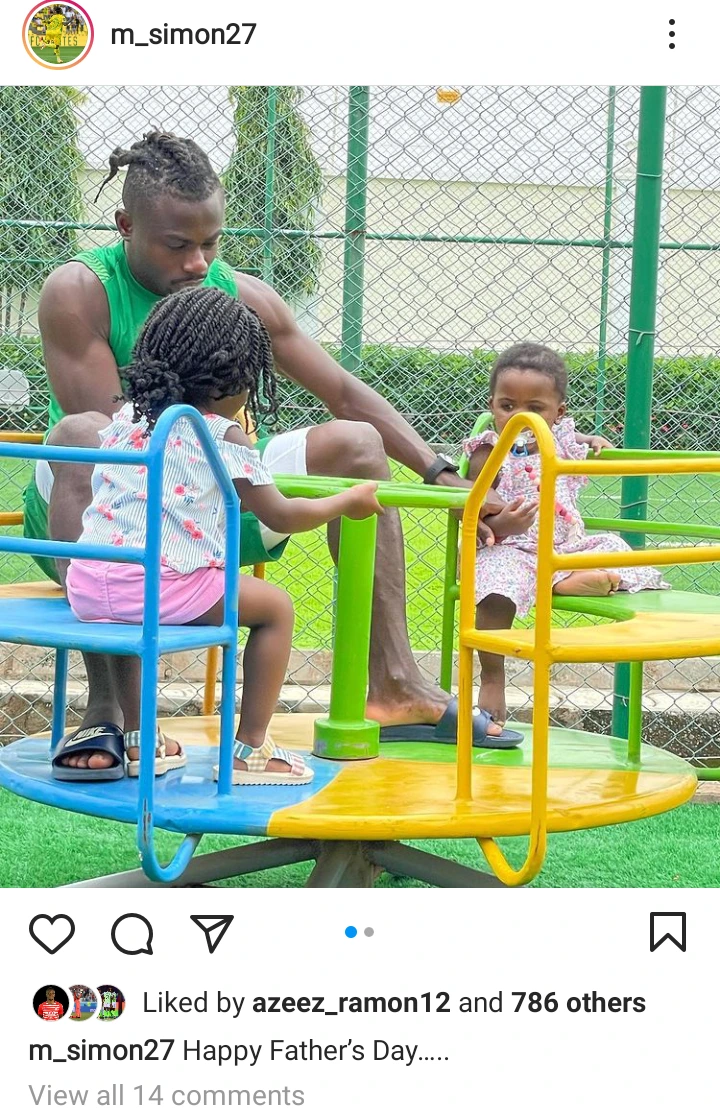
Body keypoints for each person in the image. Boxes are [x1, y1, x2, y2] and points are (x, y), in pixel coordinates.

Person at [29, 130, 516, 777]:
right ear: (126, 225)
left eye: (210, 242)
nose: (199, 262)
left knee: (357, 443)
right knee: (82, 431)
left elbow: (340, 389)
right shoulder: (79, 289)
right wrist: (233, 451)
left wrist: (442, 472)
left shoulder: (240, 294)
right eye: (178, 244)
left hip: (215, 494)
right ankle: (109, 707)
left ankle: (395, 685)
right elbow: (130, 441)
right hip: (108, 512)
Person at [59, 288, 382, 783]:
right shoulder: (221, 435)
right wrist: (348, 501)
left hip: (88, 581)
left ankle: (143, 742)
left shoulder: (128, 418)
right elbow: (282, 513)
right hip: (160, 585)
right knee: (275, 608)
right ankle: (251, 747)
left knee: (128, 617)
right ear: (234, 381)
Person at [464, 343, 670, 732]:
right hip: (511, 548)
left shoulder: (562, 442)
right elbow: (474, 516)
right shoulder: (488, 451)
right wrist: (506, 523)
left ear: (558, 413)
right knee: (493, 587)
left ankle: (565, 576)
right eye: (508, 406)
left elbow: (575, 440)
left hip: (565, 546)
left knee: (615, 548)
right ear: (492, 405)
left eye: (535, 409)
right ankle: (492, 678)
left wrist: (592, 441)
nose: (520, 419)